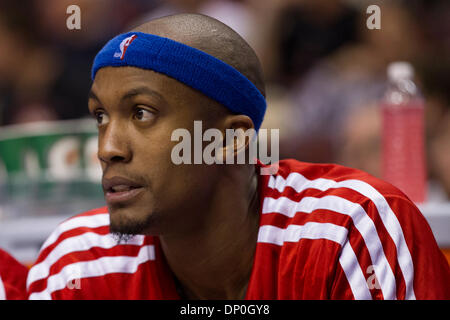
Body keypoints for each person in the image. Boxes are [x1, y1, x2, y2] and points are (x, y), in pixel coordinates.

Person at [26, 13, 450, 300]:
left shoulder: (349, 231)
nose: (107, 148)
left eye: (141, 113)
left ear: (230, 141)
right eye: (101, 116)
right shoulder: (78, 259)